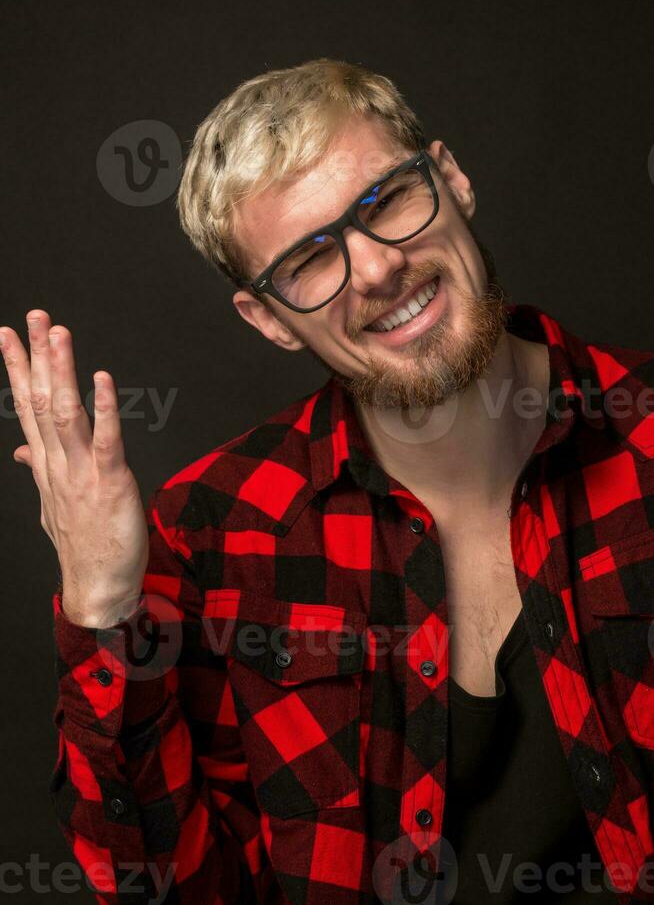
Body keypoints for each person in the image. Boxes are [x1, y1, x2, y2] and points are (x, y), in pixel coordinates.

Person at [2, 58, 652, 904]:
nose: (378, 270)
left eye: (387, 202)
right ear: (268, 319)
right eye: (310, 260)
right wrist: (101, 614)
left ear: (450, 178)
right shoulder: (211, 531)